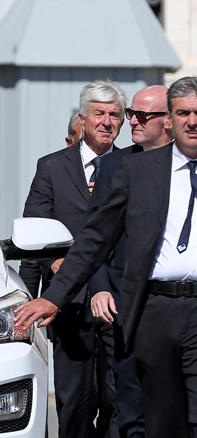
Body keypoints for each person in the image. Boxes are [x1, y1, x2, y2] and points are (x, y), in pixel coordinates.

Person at [15, 75, 197, 436]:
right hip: (154, 310)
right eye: (183, 113)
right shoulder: (139, 170)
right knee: (161, 419)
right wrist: (53, 296)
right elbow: (95, 239)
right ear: (171, 121)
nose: (192, 121)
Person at [18, 79, 126, 438]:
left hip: (119, 301)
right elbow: (35, 232)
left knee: (118, 400)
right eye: (100, 114)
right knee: (76, 402)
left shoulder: (135, 166)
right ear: (82, 119)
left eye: (115, 115)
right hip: (70, 304)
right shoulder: (52, 167)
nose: (107, 122)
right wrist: (49, 271)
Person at [79, 85, 172, 437]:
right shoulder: (116, 164)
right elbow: (95, 236)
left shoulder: (187, 166)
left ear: (167, 122)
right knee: (124, 406)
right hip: (122, 304)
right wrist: (99, 288)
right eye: (130, 113)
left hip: (176, 306)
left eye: (141, 116)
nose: (130, 121)